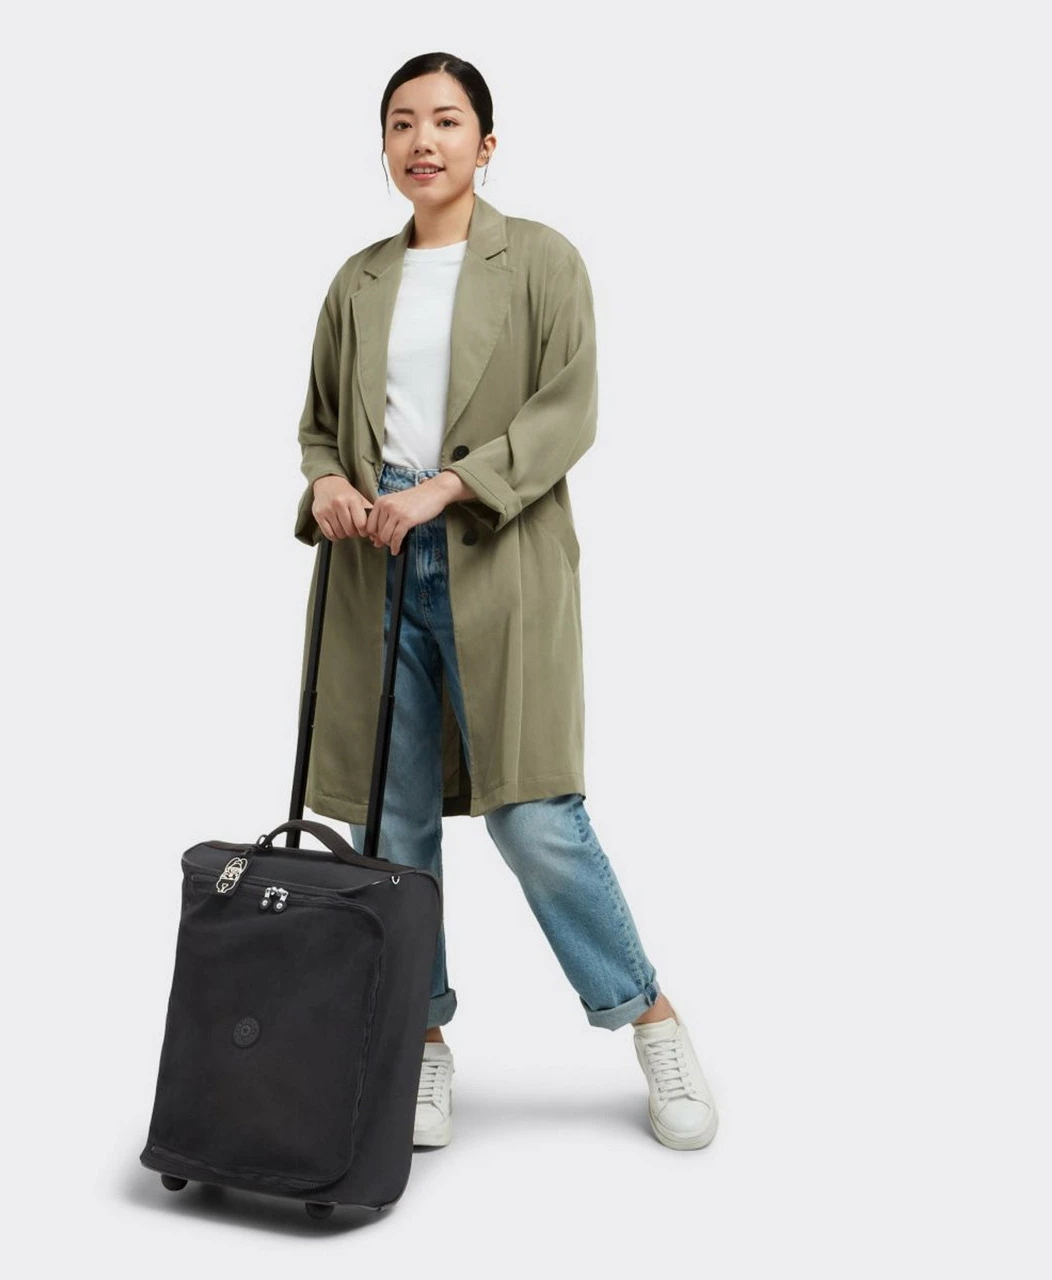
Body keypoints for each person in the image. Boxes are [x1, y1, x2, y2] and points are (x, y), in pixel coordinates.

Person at [293, 52, 718, 1152]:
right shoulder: (357, 280)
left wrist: (449, 486)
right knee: (388, 824)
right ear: (383, 146)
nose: (420, 141)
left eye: (444, 121)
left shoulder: (540, 260)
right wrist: (329, 482)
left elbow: (568, 410)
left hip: (497, 553)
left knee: (534, 815)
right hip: (373, 563)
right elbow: (320, 424)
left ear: (485, 144)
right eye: (400, 122)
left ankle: (649, 1017)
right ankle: (421, 1041)